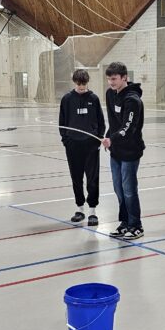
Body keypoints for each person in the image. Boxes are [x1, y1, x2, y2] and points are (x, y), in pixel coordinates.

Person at [102, 62, 145, 240]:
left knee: (129, 190)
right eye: (109, 79)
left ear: (124, 77)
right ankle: (125, 222)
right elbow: (113, 122)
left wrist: (113, 138)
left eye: (114, 79)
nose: (111, 82)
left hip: (130, 151)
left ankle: (136, 225)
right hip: (116, 151)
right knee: (118, 188)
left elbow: (129, 127)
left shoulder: (132, 99)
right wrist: (108, 137)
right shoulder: (110, 94)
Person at [59, 69, 106, 226]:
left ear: (87, 82)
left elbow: (101, 121)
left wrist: (98, 139)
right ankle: (80, 209)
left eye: (84, 84)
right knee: (76, 178)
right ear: (74, 82)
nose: (81, 87)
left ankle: (92, 211)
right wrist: (66, 140)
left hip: (91, 146)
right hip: (73, 146)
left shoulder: (94, 98)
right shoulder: (67, 99)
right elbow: (62, 122)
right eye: (79, 84)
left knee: (92, 179)